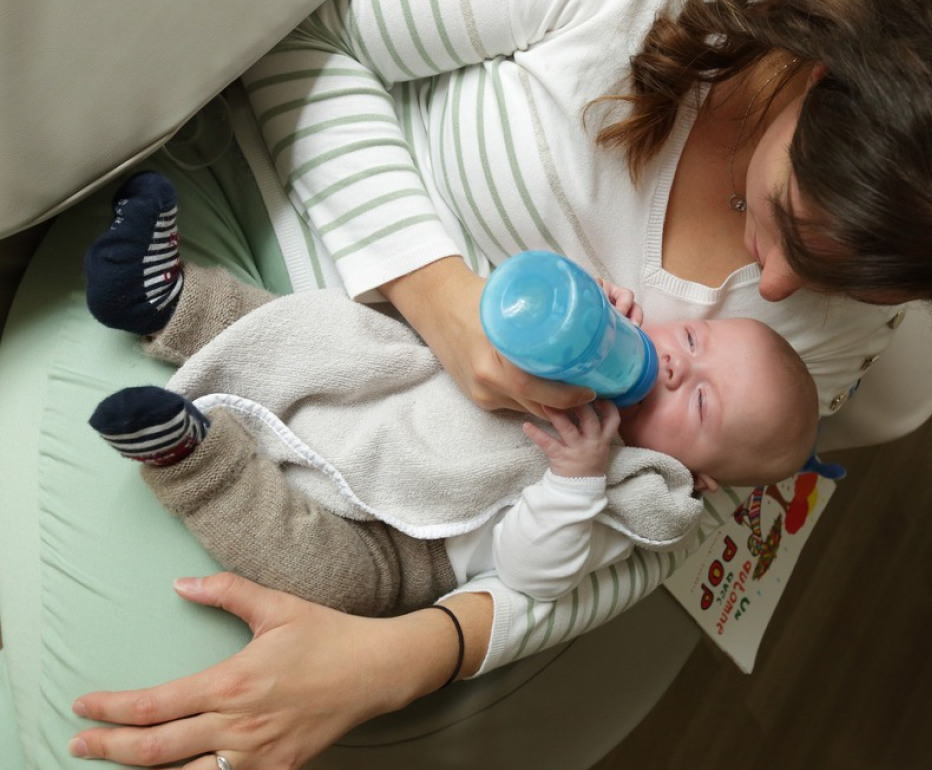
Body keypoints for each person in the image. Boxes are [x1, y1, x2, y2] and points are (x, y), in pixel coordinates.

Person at [68, 0, 932, 767]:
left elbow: (662, 517)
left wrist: (405, 656)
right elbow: (301, 29)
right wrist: (444, 303)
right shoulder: (627, 18)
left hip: (395, 519)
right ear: (820, 73)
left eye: (848, 280)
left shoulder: (854, 297)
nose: (768, 286)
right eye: (793, 225)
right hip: (242, 260)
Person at [82, 171, 819, 614]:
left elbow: (535, 576)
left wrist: (576, 481)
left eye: (699, 404)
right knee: (323, 333)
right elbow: (493, 316)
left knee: (333, 581)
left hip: (408, 546)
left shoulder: (629, 491)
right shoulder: (603, 341)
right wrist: (575, 313)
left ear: (700, 475)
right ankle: (172, 301)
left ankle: (196, 461)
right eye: (691, 342)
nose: (678, 369)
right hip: (400, 385)